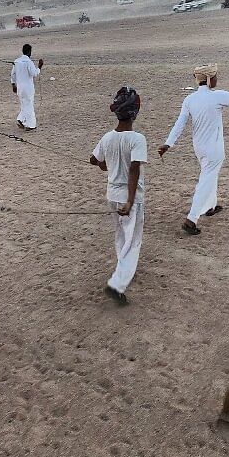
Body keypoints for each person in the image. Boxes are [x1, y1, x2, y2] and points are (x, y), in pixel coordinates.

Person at [159, 64, 229, 234]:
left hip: (199, 147)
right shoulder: (217, 96)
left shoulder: (189, 100)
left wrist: (168, 143)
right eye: (214, 77)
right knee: (206, 180)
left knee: (209, 175)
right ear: (208, 79)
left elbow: (180, 124)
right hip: (213, 148)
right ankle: (191, 219)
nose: (216, 79)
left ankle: (210, 206)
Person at [90, 87, 147, 306]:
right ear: (135, 111)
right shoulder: (137, 139)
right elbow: (134, 169)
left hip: (112, 194)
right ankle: (117, 283)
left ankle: (124, 269)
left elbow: (94, 160)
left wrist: (105, 164)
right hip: (130, 196)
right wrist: (131, 200)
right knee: (133, 240)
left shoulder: (107, 137)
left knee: (121, 236)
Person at [11, 43, 44, 130]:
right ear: (29, 52)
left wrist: (13, 84)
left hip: (20, 87)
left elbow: (13, 74)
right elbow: (34, 74)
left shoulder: (17, 61)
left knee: (24, 104)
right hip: (28, 87)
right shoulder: (29, 62)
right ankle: (30, 125)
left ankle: (21, 119)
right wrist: (39, 67)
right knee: (29, 105)